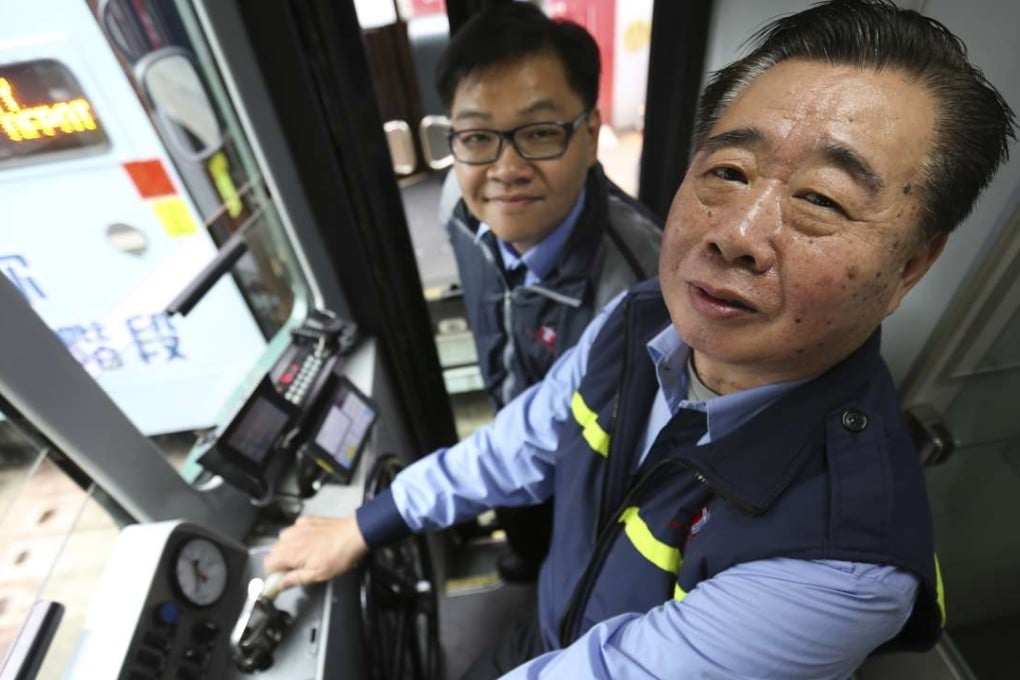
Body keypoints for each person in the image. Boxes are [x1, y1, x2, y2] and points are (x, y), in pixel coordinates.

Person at [265, 1, 1016, 677]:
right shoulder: (640, 317)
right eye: (729, 170)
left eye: (821, 198)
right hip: (549, 623)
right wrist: (369, 521)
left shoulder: (838, 566)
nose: (736, 234)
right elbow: (526, 437)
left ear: (911, 265)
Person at [436, 3, 661, 581]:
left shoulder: (640, 288)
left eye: (538, 133)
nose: (505, 168)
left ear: (589, 135)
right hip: (506, 406)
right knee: (525, 529)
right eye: (477, 136)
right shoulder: (458, 207)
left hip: (586, 466)